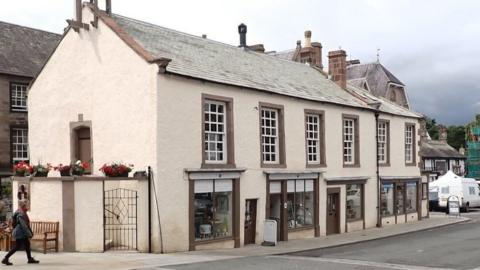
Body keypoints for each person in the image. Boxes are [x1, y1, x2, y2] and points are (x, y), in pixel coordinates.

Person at [1, 200, 39, 266]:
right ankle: (5, 258)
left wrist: (29, 232)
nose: (28, 206)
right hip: (20, 232)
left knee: (27, 244)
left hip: (21, 232)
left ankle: (29, 259)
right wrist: (29, 234)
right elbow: (23, 225)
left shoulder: (21, 211)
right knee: (17, 246)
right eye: (27, 205)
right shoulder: (20, 213)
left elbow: (26, 224)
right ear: (23, 205)